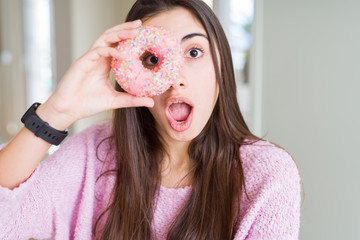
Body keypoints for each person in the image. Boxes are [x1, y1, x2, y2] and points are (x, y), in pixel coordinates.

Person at [0, 0, 302, 239]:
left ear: (220, 69)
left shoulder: (265, 175)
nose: (175, 78)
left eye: (194, 52)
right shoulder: (95, 154)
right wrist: (57, 111)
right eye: (152, 59)